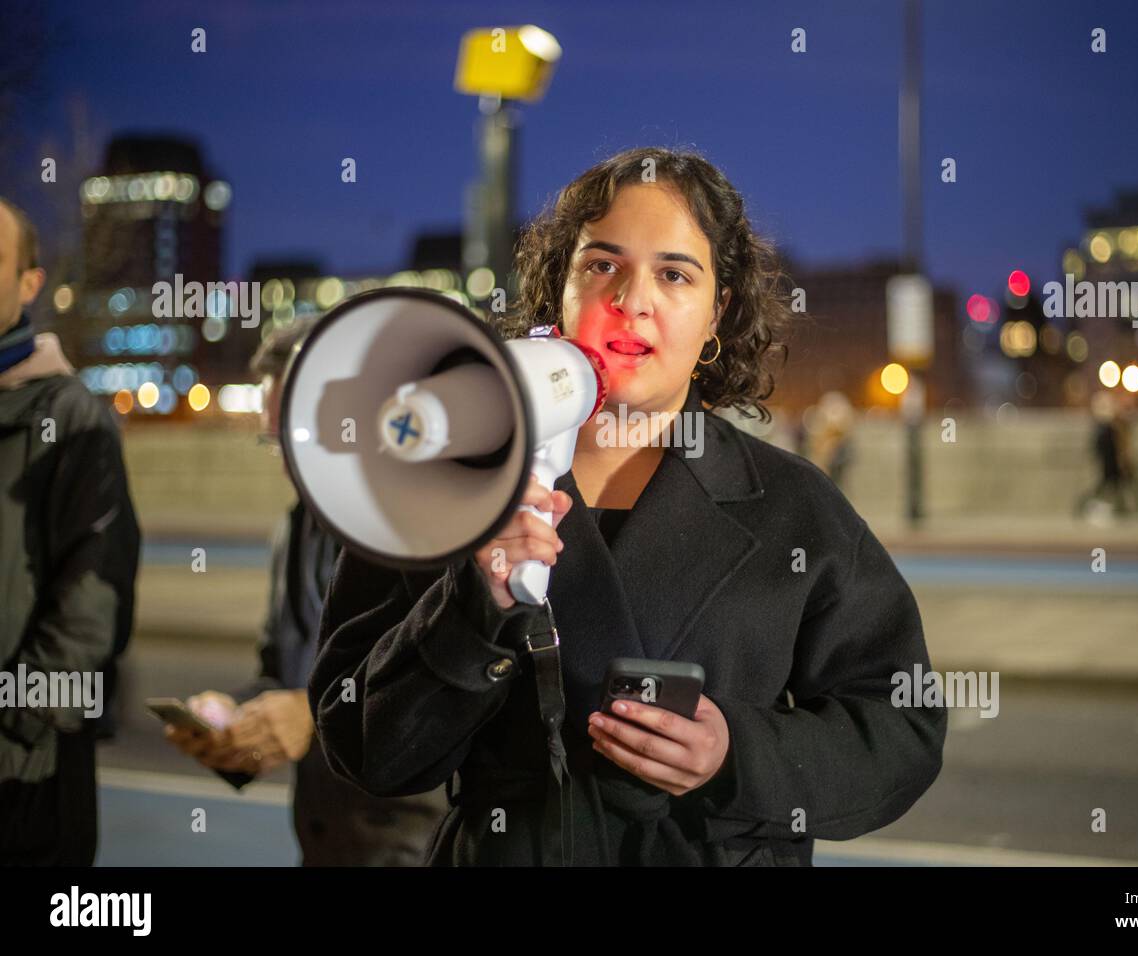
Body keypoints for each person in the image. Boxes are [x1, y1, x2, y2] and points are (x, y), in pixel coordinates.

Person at [308, 147, 946, 866]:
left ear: (717, 313)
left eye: (674, 274)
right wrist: (470, 608)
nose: (631, 299)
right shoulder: (444, 486)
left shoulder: (794, 508)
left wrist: (735, 754)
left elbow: (901, 725)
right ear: (561, 288)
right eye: (601, 265)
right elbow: (359, 741)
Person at [162, 320, 447, 865]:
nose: (292, 467)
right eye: (276, 443)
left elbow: (444, 691)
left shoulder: (428, 532)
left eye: (301, 439)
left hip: (419, 844)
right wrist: (232, 722)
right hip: (326, 841)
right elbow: (284, 670)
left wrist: (311, 720)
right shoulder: (294, 530)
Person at [0, 196, 140, 865]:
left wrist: (15, 728)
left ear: (29, 284)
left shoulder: (72, 419)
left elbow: (90, 616)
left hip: (27, 784)